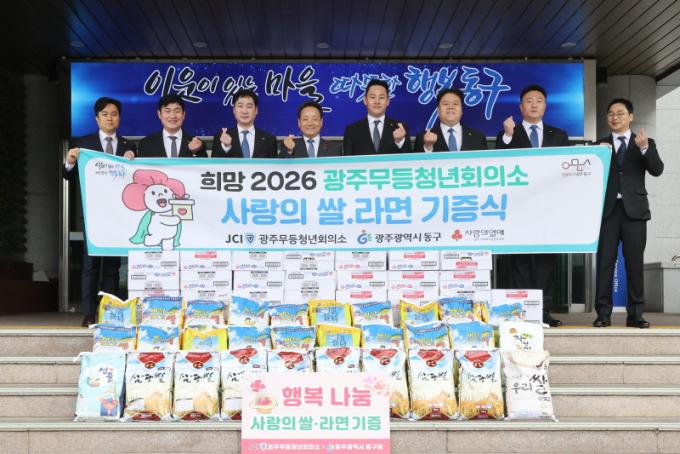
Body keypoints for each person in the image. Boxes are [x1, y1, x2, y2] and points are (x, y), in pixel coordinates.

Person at [495, 84, 570, 328]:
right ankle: (520, 311)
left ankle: (544, 311)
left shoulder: (559, 135)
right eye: (529, 100)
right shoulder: (509, 132)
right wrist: (507, 136)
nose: (534, 104)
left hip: (549, 209)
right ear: (521, 107)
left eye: (539, 100)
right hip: (519, 208)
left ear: (545, 106)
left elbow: (567, 171)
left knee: (546, 262)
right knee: (520, 261)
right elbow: (500, 163)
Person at [63, 97, 136, 327]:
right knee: (90, 265)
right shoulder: (83, 144)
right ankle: (88, 312)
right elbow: (68, 175)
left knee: (113, 267)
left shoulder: (128, 146)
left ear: (119, 118)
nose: (110, 118)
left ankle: (110, 312)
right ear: (97, 119)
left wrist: (132, 162)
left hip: (118, 216)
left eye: (114, 114)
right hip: (93, 215)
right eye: (105, 114)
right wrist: (70, 161)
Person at [593, 98, 664, 329]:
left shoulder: (645, 142)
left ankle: (635, 315)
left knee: (634, 264)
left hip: (635, 211)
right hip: (608, 212)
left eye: (620, 113)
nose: (615, 117)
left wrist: (644, 148)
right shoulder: (599, 145)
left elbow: (657, 169)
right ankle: (603, 314)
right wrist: (599, 156)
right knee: (605, 263)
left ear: (630, 116)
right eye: (611, 114)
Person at [343, 79, 412, 155]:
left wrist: (400, 141)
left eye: (381, 97)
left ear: (388, 101)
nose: (377, 101)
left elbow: (411, 158)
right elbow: (347, 160)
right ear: (365, 100)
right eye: (372, 97)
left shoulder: (399, 128)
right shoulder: (352, 130)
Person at [414, 88, 487, 152]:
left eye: (455, 104)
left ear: (461, 110)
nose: (450, 107)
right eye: (446, 104)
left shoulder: (478, 137)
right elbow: (416, 162)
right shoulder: (422, 138)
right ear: (438, 110)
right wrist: (428, 147)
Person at [211, 89, 278, 158]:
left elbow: (275, 164)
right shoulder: (221, 137)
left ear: (256, 110)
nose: (244, 111)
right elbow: (213, 164)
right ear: (234, 110)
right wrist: (225, 147)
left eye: (249, 106)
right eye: (240, 106)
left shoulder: (269, 139)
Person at [137, 94, 207, 158]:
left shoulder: (198, 144)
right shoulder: (146, 144)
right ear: (159, 114)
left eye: (177, 111)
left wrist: (195, 152)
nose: (172, 116)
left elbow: (205, 166)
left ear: (183, 114)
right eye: (167, 111)